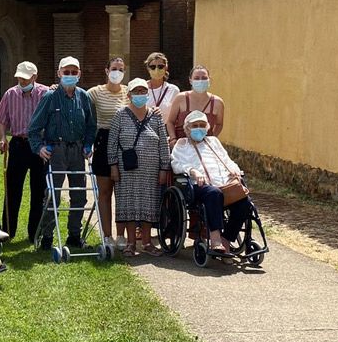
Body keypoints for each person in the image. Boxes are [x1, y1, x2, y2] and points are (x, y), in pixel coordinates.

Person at [28, 56, 96, 250]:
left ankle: (74, 235)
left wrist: (88, 144)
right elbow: (33, 128)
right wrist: (39, 148)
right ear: (59, 74)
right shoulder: (50, 97)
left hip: (77, 151)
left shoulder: (83, 96)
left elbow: (91, 125)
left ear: (79, 74)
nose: (70, 75)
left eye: (74, 72)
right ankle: (47, 236)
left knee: (79, 195)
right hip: (55, 151)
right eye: (66, 72)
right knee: (53, 196)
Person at [170, 110, 252, 255]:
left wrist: (235, 170)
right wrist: (192, 171)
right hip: (199, 186)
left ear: (207, 127)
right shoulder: (182, 144)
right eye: (195, 125)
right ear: (187, 128)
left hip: (224, 183)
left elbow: (227, 160)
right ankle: (215, 239)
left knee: (243, 200)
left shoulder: (213, 141)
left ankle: (226, 240)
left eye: (202, 125)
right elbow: (175, 164)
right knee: (214, 193)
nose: (199, 128)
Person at [108, 78, 171, 256]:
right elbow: (112, 142)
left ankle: (147, 242)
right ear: (129, 95)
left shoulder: (156, 116)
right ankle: (130, 243)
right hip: (127, 169)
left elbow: (163, 145)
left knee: (148, 206)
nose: (140, 95)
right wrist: (113, 166)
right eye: (137, 92)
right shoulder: (120, 114)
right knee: (128, 205)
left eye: (143, 91)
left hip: (151, 170)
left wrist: (163, 168)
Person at [0, 61, 49, 241]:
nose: (22, 81)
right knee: (13, 188)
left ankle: (35, 233)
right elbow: (2, 119)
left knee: (39, 189)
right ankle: (8, 231)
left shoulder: (46, 93)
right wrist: (2, 138)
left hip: (39, 145)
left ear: (34, 77)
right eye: (19, 78)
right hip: (18, 144)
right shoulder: (10, 94)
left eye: (25, 78)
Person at [86, 57, 129, 250]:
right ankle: (107, 235)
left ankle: (121, 235)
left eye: (120, 69)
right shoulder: (95, 92)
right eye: (114, 68)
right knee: (104, 192)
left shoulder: (129, 92)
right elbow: (78, 98)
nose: (117, 72)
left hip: (125, 143)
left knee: (122, 191)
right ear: (106, 70)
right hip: (103, 141)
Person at [165, 65, 225, 144]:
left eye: (204, 78)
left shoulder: (218, 102)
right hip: (181, 146)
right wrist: (173, 139)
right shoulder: (181, 98)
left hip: (205, 147)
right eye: (196, 78)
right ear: (190, 81)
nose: (200, 81)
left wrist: (212, 138)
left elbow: (219, 124)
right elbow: (170, 122)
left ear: (209, 80)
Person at [143, 51, 180, 117]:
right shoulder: (141, 87)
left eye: (160, 66)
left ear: (166, 67)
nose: (156, 69)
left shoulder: (174, 90)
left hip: (165, 126)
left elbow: (176, 115)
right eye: (153, 67)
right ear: (148, 68)